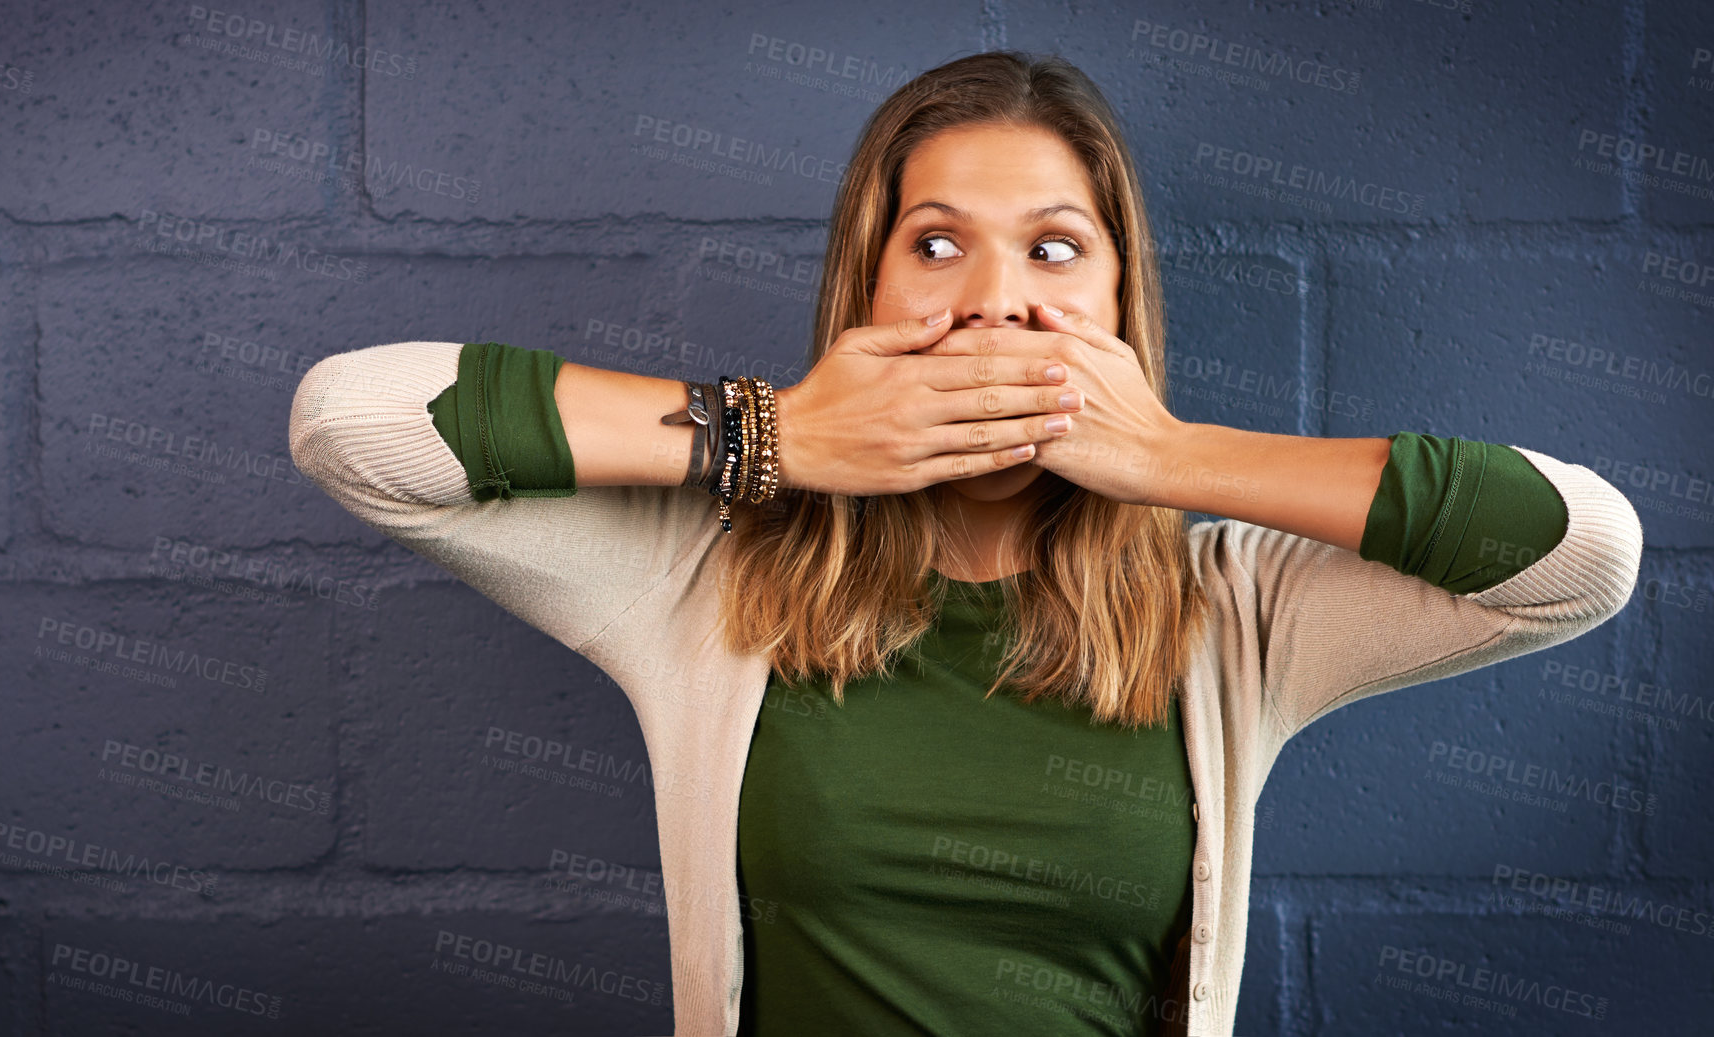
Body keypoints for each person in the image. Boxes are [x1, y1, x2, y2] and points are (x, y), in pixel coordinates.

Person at [288, 50, 1642, 1037]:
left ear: (1121, 297)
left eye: (1056, 253)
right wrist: (772, 436)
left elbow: (1581, 551)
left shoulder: (1230, 611)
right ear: (867, 290)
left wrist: (1164, 457)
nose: (996, 305)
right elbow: (355, 422)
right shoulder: (706, 577)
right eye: (936, 245)